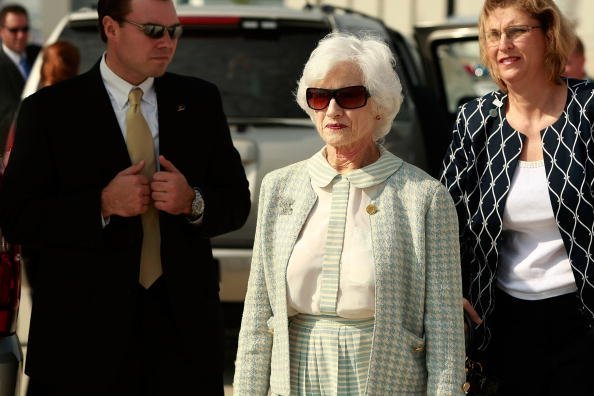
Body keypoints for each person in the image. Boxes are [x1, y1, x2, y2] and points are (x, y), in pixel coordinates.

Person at [0, 0, 250, 395]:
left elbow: (236, 202)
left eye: (174, 31)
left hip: (181, 339)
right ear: (111, 28)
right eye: (154, 31)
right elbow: (16, 217)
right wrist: (100, 205)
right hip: (81, 344)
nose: (167, 42)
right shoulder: (49, 112)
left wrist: (193, 203)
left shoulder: (199, 101)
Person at [234, 32, 466, 395]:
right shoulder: (280, 187)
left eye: (350, 96)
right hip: (295, 375)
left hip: (384, 377)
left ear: (380, 106)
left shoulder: (424, 197)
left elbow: (444, 330)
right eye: (319, 97)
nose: (332, 110)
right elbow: (256, 317)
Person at [441, 0, 594, 394]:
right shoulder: (476, 120)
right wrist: (446, 291)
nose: (503, 44)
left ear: (548, 36)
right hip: (502, 320)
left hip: (582, 317)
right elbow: (444, 217)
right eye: (494, 34)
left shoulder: (589, 109)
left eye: (517, 31)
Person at [0, 4, 40, 154]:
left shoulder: (40, 55)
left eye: (25, 29)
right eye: (14, 30)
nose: (21, 35)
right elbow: (6, 114)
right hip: (12, 151)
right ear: (1, 31)